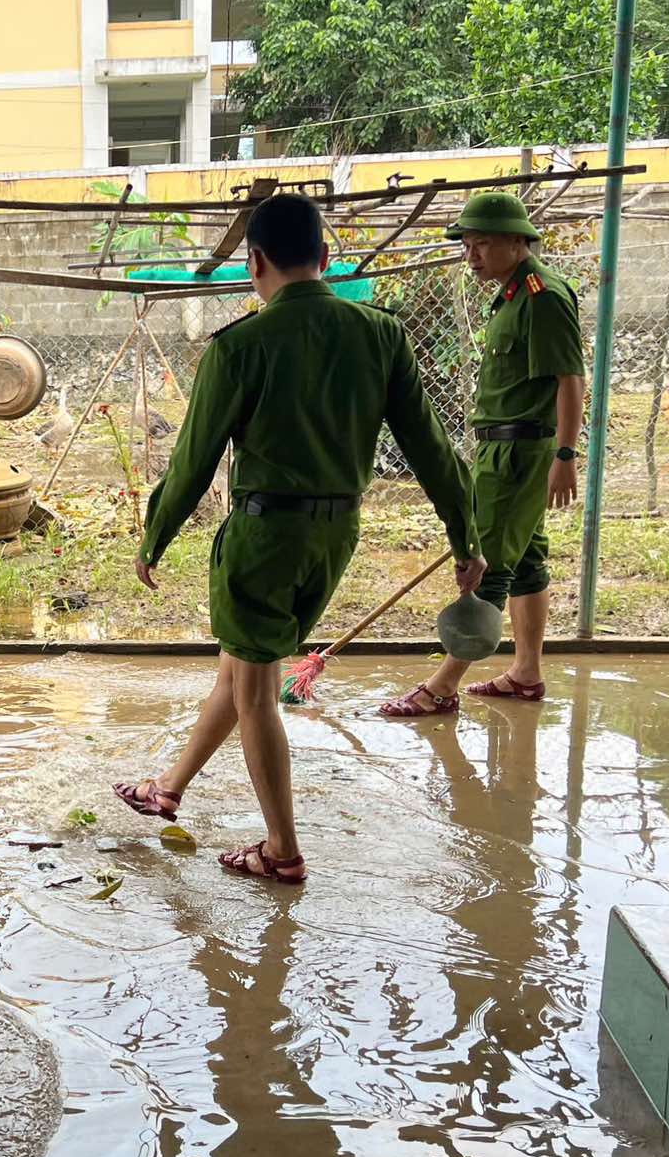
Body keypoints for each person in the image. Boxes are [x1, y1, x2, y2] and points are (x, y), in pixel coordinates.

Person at [112, 192, 485, 882]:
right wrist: (464, 536)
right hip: (334, 537)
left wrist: (153, 536)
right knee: (241, 665)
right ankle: (169, 786)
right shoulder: (382, 334)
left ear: (254, 262)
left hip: (264, 539)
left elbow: (194, 457)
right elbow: (430, 445)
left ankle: (281, 851)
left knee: (256, 691)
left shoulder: (241, 346)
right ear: (325, 258)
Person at [379, 192, 586, 718]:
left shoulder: (543, 297)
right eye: (468, 244)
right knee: (527, 560)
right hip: (501, 447)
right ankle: (525, 673)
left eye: (483, 244)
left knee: (487, 564)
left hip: (521, 452)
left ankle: (441, 687)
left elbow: (570, 379)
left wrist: (565, 453)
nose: (472, 255)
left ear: (519, 242)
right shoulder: (512, 294)